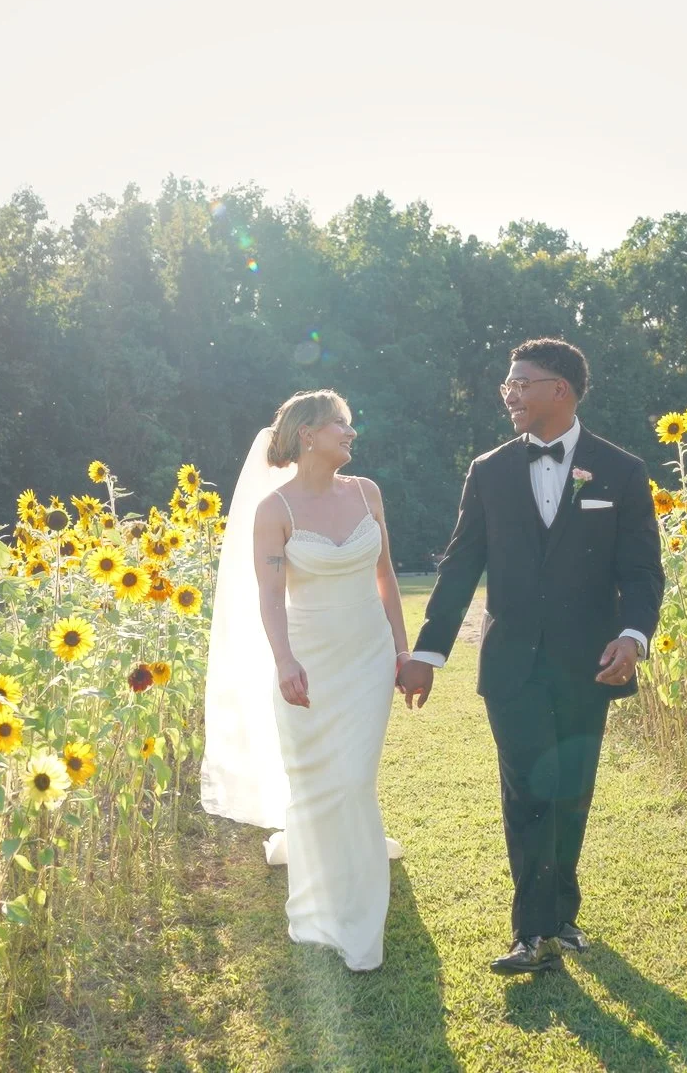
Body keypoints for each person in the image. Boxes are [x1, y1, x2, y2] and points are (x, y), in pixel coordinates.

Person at [397, 338, 666, 975]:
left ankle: (563, 914)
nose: (509, 394)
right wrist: (427, 653)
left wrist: (633, 637)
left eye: (521, 383)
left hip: (588, 662)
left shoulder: (621, 471)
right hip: (511, 664)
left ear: (560, 390)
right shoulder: (488, 470)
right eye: (507, 385)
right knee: (526, 792)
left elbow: (643, 571)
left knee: (572, 790)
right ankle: (529, 931)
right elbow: (461, 565)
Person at [199, 390, 408, 972]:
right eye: (342, 425)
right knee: (317, 778)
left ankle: (359, 913)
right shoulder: (276, 511)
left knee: (353, 777)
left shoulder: (368, 493)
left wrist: (402, 647)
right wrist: (285, 660)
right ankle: (321, 886)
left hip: (366, 657)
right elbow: (268, 597)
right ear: (310, 433)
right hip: (308, 660)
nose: (351, 433)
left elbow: (386, 575)